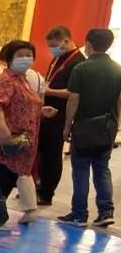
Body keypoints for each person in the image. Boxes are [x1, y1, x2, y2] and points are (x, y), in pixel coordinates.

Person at [0, 40, 55, 224]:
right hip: (10, 140)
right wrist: (4, 134)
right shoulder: (4, 81)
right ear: (10, 58)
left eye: (29, 55)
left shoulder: (23, 80)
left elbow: (24, 105)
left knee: (20, 174)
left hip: (25, 140)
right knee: (3, 178)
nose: (25, 59)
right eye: (20, 55)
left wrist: (41, 111)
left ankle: (24, 211)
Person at [60, 28, 121, 227]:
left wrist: (67, 127)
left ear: (88, 44)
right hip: (107, 126)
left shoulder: (81, 69)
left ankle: (79, 214)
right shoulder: (117, 69)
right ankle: (106, 211)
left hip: (83, 127)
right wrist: (115, 124)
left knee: (80, 170)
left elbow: (73, 100)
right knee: (102, 169)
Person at [39, 26, 85, 206]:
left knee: (52, 154)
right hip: (46, 112)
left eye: (54, 45)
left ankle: (47, 193)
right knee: (42, 153)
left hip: (60, 115)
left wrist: (50, 91)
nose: (52, 49)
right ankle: (39, 185)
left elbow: (75, 93)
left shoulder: (78, 62)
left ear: (66, 40)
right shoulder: (57, 58)